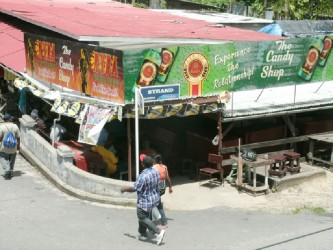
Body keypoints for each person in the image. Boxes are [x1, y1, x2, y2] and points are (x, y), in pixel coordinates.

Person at [121, 156, 165, 245]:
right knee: (144, 216)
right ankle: (143, 234)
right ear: (152, 163)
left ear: (142, 164)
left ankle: (158, 232)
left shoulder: (143, 176)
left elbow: (135, 188)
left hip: (145, 201)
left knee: (142, 217)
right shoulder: (156, 172)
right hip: (154, 199)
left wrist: (124, 189)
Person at [153, 154, 172, 227]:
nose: (153, 161)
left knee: (158, 205)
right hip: (162, 189)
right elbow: (168, 178)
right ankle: (163, 220)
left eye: (154, 159)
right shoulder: (164, 167)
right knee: (157, 203)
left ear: (155, 160)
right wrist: (170, 187)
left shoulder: (154, 167)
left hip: (155, 189)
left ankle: (164, 221)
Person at [0, 113, 20, 180]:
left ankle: (7, 170)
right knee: (12, 159)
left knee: (3, 158)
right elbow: (18, 137)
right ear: (9, 119)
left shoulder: (2, 127)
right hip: (13, 147)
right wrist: (18, 146)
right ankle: (10, 172)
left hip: (4, 147)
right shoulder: (15, 126)